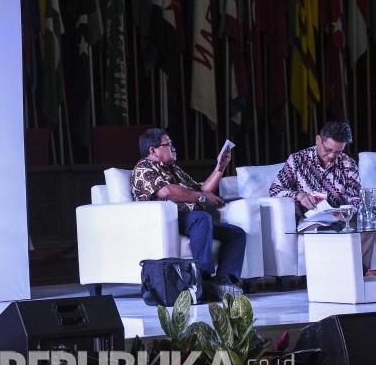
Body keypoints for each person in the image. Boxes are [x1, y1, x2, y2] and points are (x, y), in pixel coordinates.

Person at [131, 128, 246, 299]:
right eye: (168, 144)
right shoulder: (144, 168)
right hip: (166, 221)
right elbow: (167, 192)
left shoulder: (174, 169)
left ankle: (223, 281)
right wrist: (201, 198)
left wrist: (220, 167)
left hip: (191, 219)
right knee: (201, 219)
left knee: (236, 233)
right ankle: (203, 279)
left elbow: (203, 189)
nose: (173, 148)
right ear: (153, 150)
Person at [270, 121, 376, 272]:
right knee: (322, 231)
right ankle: (328, 275)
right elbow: (275, 189)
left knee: (369, 227)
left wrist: (348, 210)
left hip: (340, 216)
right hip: (310, 217)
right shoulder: (298, 160)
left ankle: (360, 273)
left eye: (338, 152)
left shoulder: (348, 164)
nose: (332, 155)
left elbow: (355, 197)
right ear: (318, 140)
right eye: (328, 150)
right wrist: (299, 195)